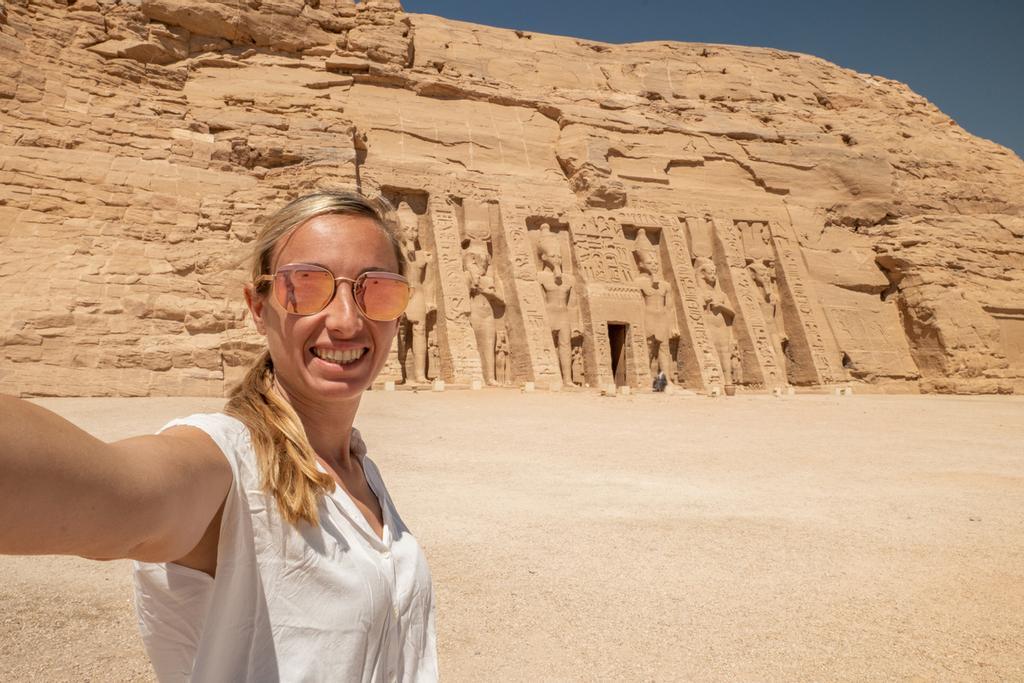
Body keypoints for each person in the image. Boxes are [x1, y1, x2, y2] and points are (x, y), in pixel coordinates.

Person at [0, 190, 438, 681]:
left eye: (376, 289)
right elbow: (116, 488)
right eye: (305, 286)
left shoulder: (359, 470)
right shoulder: (227, 462)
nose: (346, 320)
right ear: (257, 306)